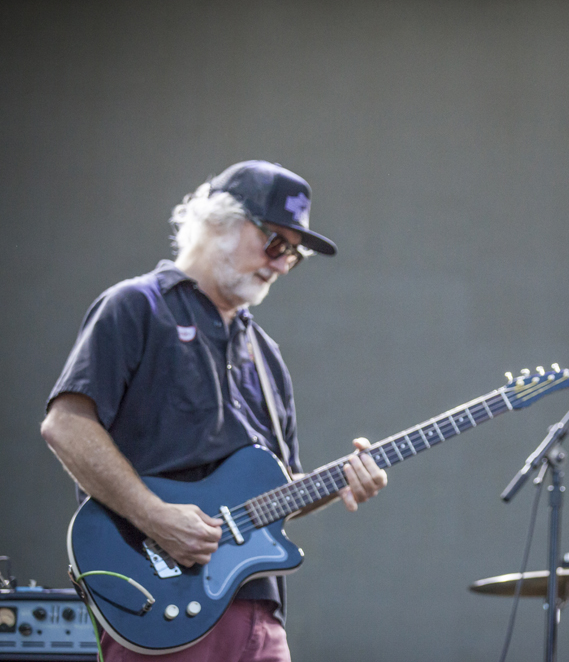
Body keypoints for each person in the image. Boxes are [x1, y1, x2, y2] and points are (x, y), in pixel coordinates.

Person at [40, 160, 388, 662]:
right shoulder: (136, 307)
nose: (283, 265)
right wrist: (156, 518)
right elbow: (65, 425)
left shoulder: (267, 357)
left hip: (260, 617)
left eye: (296, 255)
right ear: (220, 221)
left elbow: (278, 490)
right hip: (160, 610)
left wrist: (342, 481)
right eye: (276, 244)